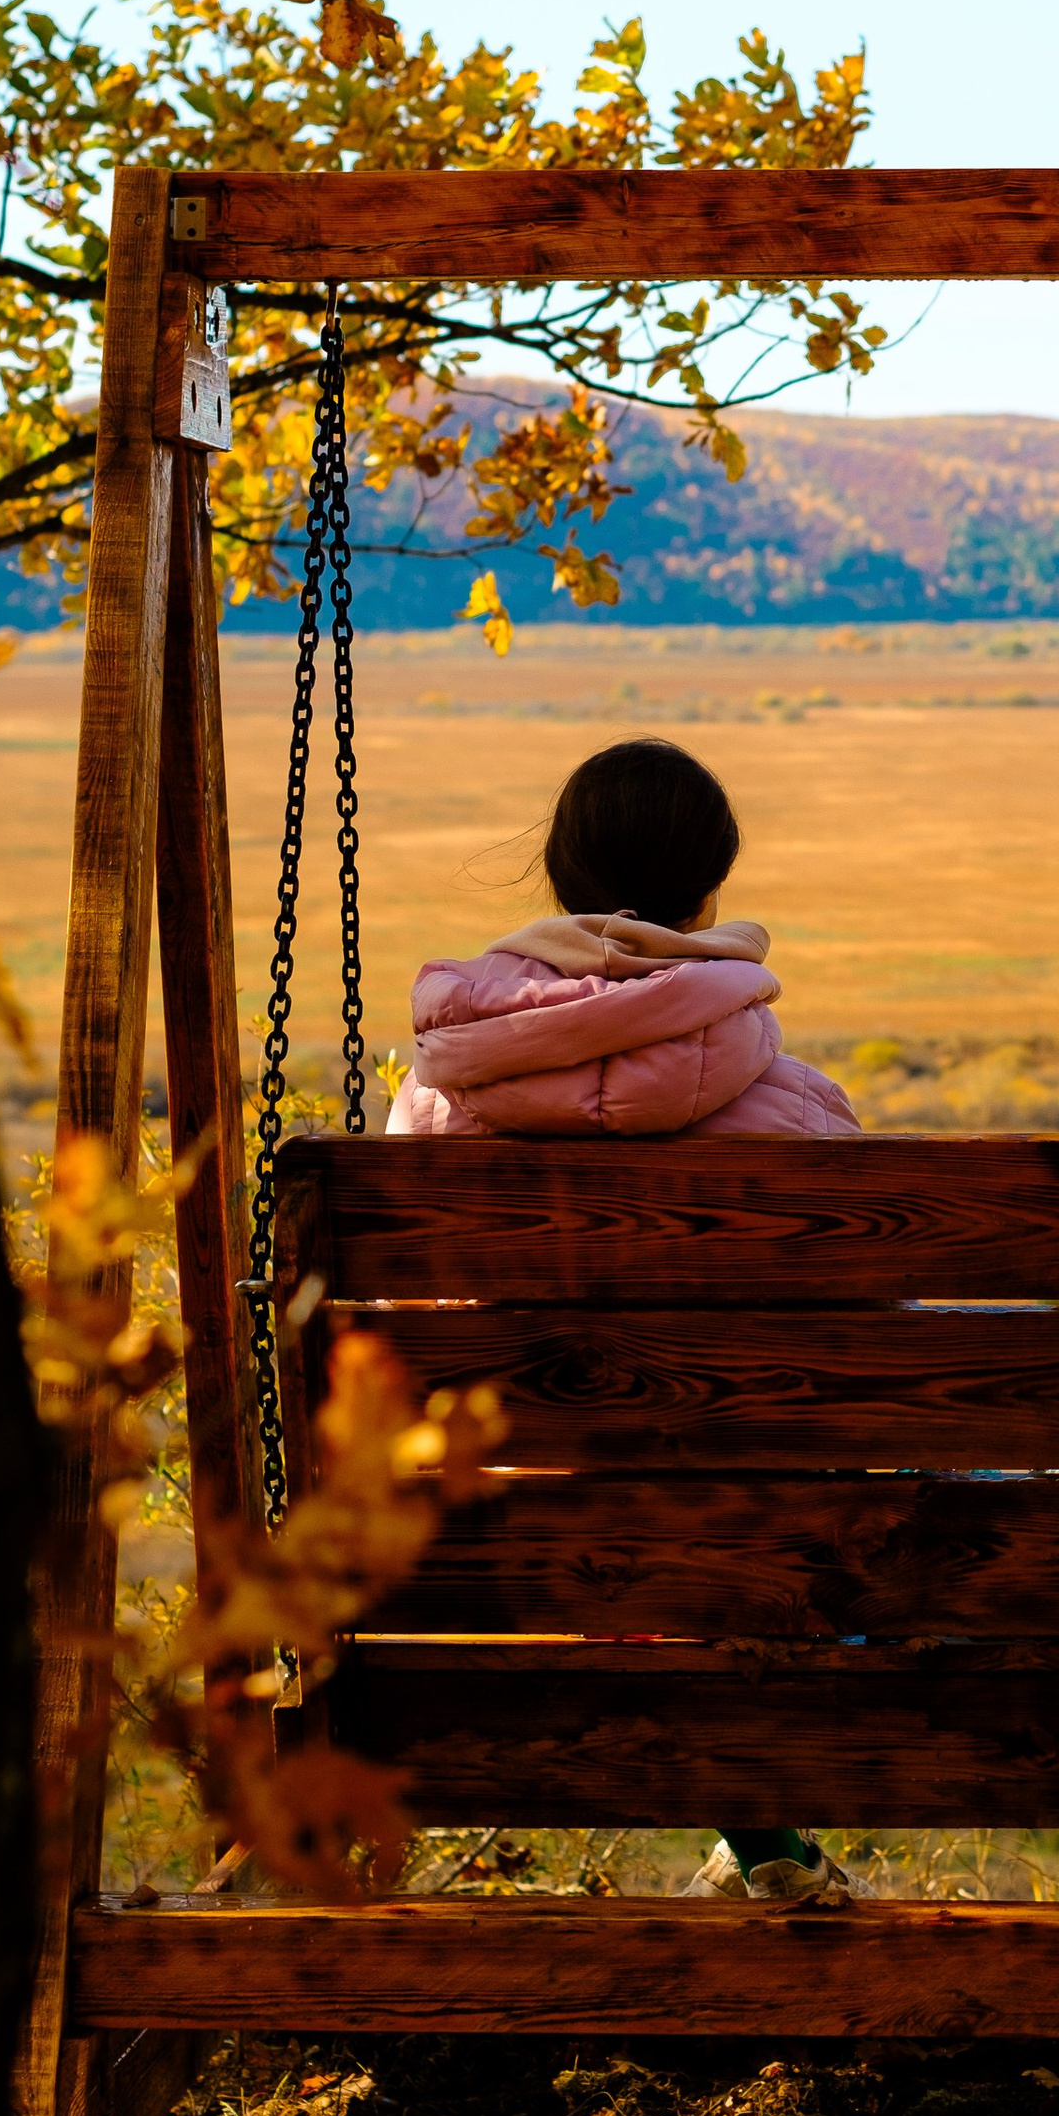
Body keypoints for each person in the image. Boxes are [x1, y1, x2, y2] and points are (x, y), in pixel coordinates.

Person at [387, 735, 858, 1905]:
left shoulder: (437, 1105)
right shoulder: (795, 1115)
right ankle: (767, 1847)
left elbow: (402, 1323)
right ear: (708, 898)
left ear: (558, 883)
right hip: (756, 1562)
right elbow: (874, 1341)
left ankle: (766, 1849)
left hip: (494, 1555)